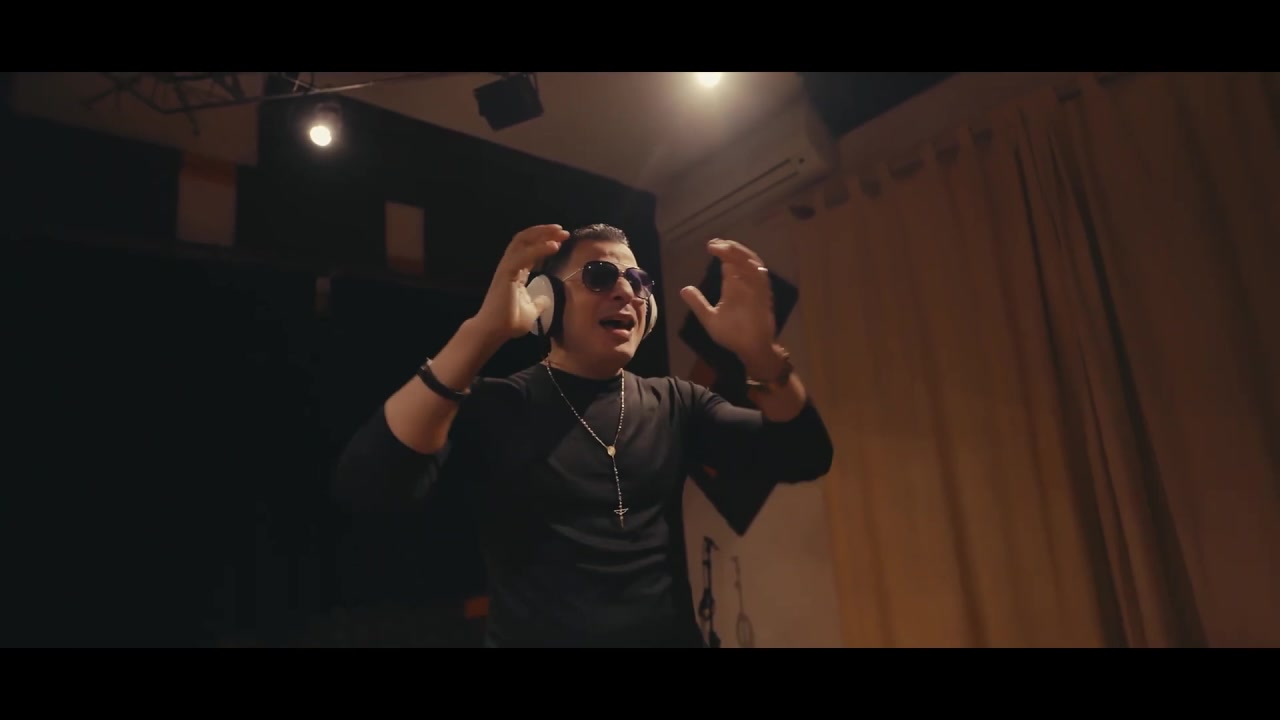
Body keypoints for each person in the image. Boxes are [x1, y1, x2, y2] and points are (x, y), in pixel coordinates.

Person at [333, 222, 833, 647]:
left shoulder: (677, 403)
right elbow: (370, 485)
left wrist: (761, 356)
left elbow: (805, 454)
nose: (627, 292)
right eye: (600, 276)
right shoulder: (498, 404)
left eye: (638, 281)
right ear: (545, 300)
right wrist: (483, 331)